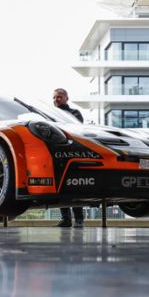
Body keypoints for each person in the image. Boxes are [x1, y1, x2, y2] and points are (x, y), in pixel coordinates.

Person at [53, 87, 86, 228]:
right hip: (57, 153)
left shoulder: (74, 113)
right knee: (60, 187)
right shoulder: (50, 114)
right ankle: (65, 219)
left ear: (66, 98)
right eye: (54, 97)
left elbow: (76, 130)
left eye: (59, 96)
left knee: (75, 187)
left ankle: (79, 219)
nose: (56, 99)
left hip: (72, 152)